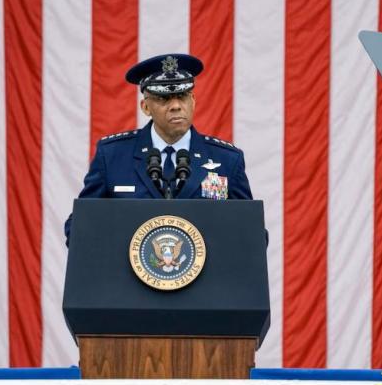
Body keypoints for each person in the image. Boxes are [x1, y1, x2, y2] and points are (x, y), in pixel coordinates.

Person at [64, 54, 253, 243]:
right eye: (164, 99)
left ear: (193, 100)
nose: (176, 106)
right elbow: (79, 225)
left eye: (182, 96)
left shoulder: (228, 160)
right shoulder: (112, 156)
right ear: (146, 107)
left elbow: (251, 232)